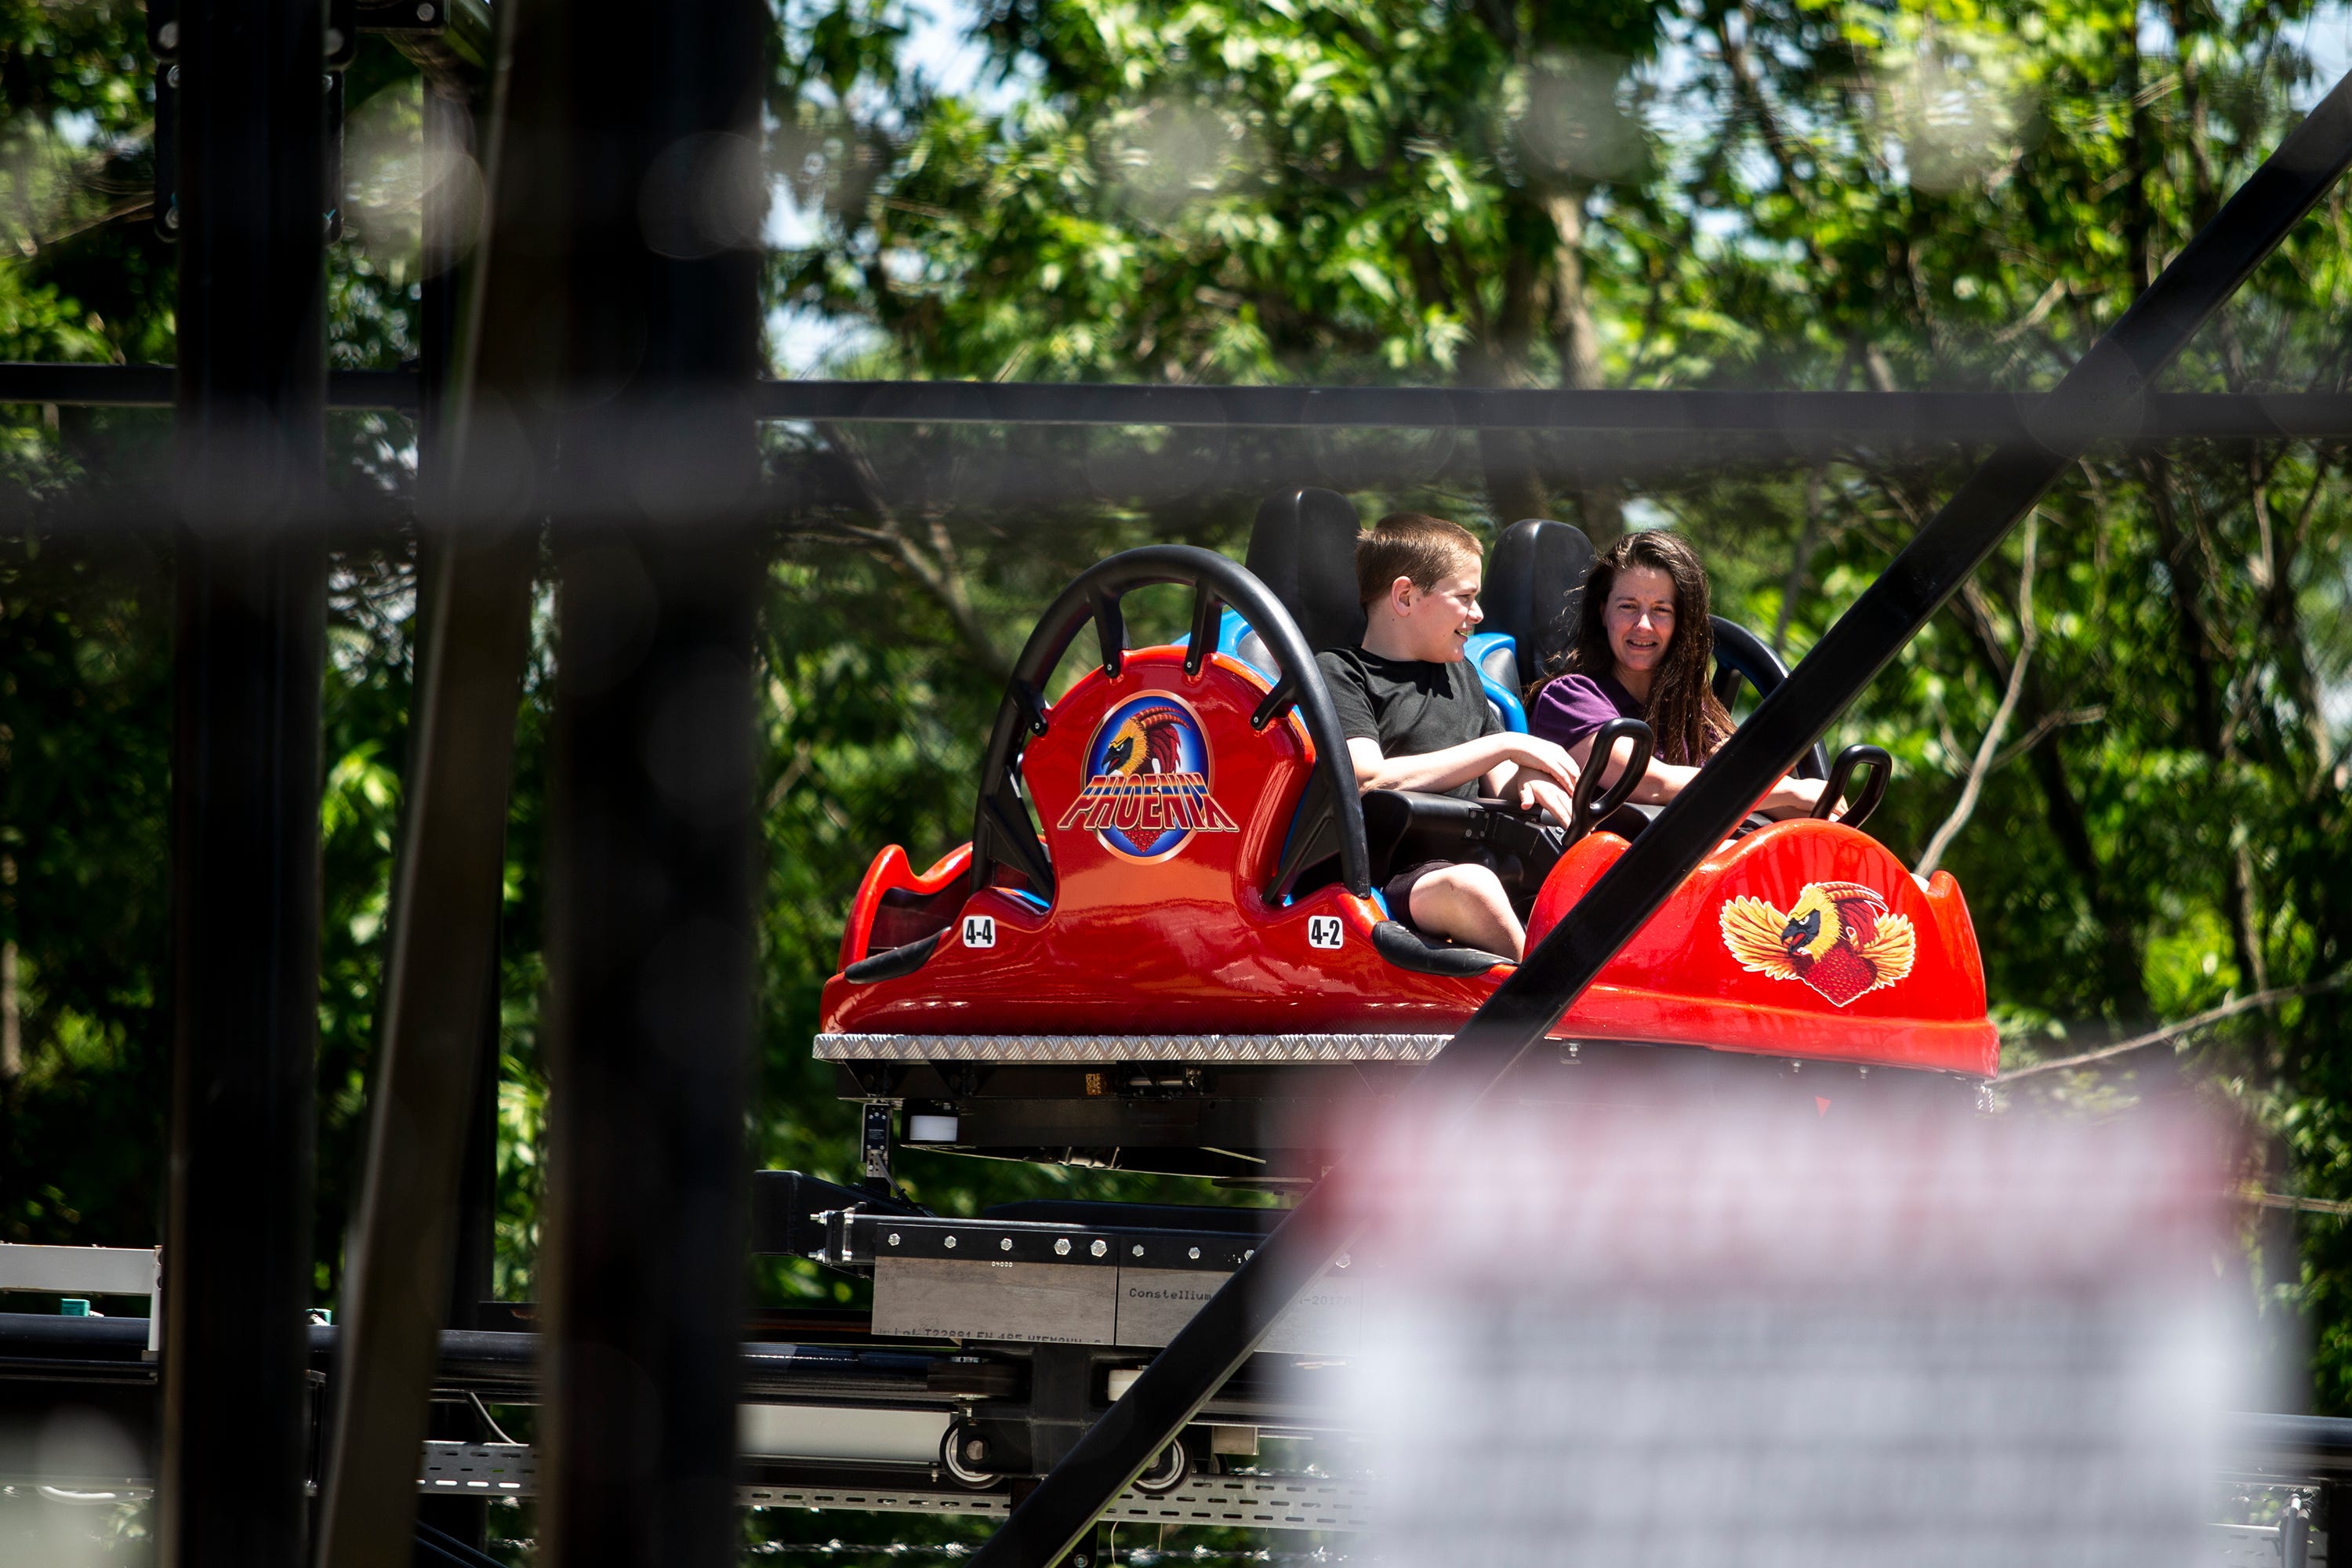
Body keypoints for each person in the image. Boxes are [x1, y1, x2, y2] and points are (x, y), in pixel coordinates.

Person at [1316, 513, 1584, 960]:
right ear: (1404, 596)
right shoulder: (1342, 673)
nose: (1477, 613)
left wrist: (1531, 783)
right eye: (1464, 597)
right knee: (1472, 885)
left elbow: (1498, 782)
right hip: (1393, 873)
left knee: (1601, 867)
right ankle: (1549, 999)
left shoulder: (1462, 677)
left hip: (1482, 854)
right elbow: (1365, 777)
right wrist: (1504, 745)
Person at [1527, 529, 1824, 816]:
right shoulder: (1568, 698)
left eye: (1661, 610)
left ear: (1680, 622)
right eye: (1628, 606)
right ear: (1604, 612)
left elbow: (1740, 779)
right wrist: (1793, 793)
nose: (1643, 624)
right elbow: (1653, 785)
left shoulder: (1691, 711)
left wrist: (1815, 804)